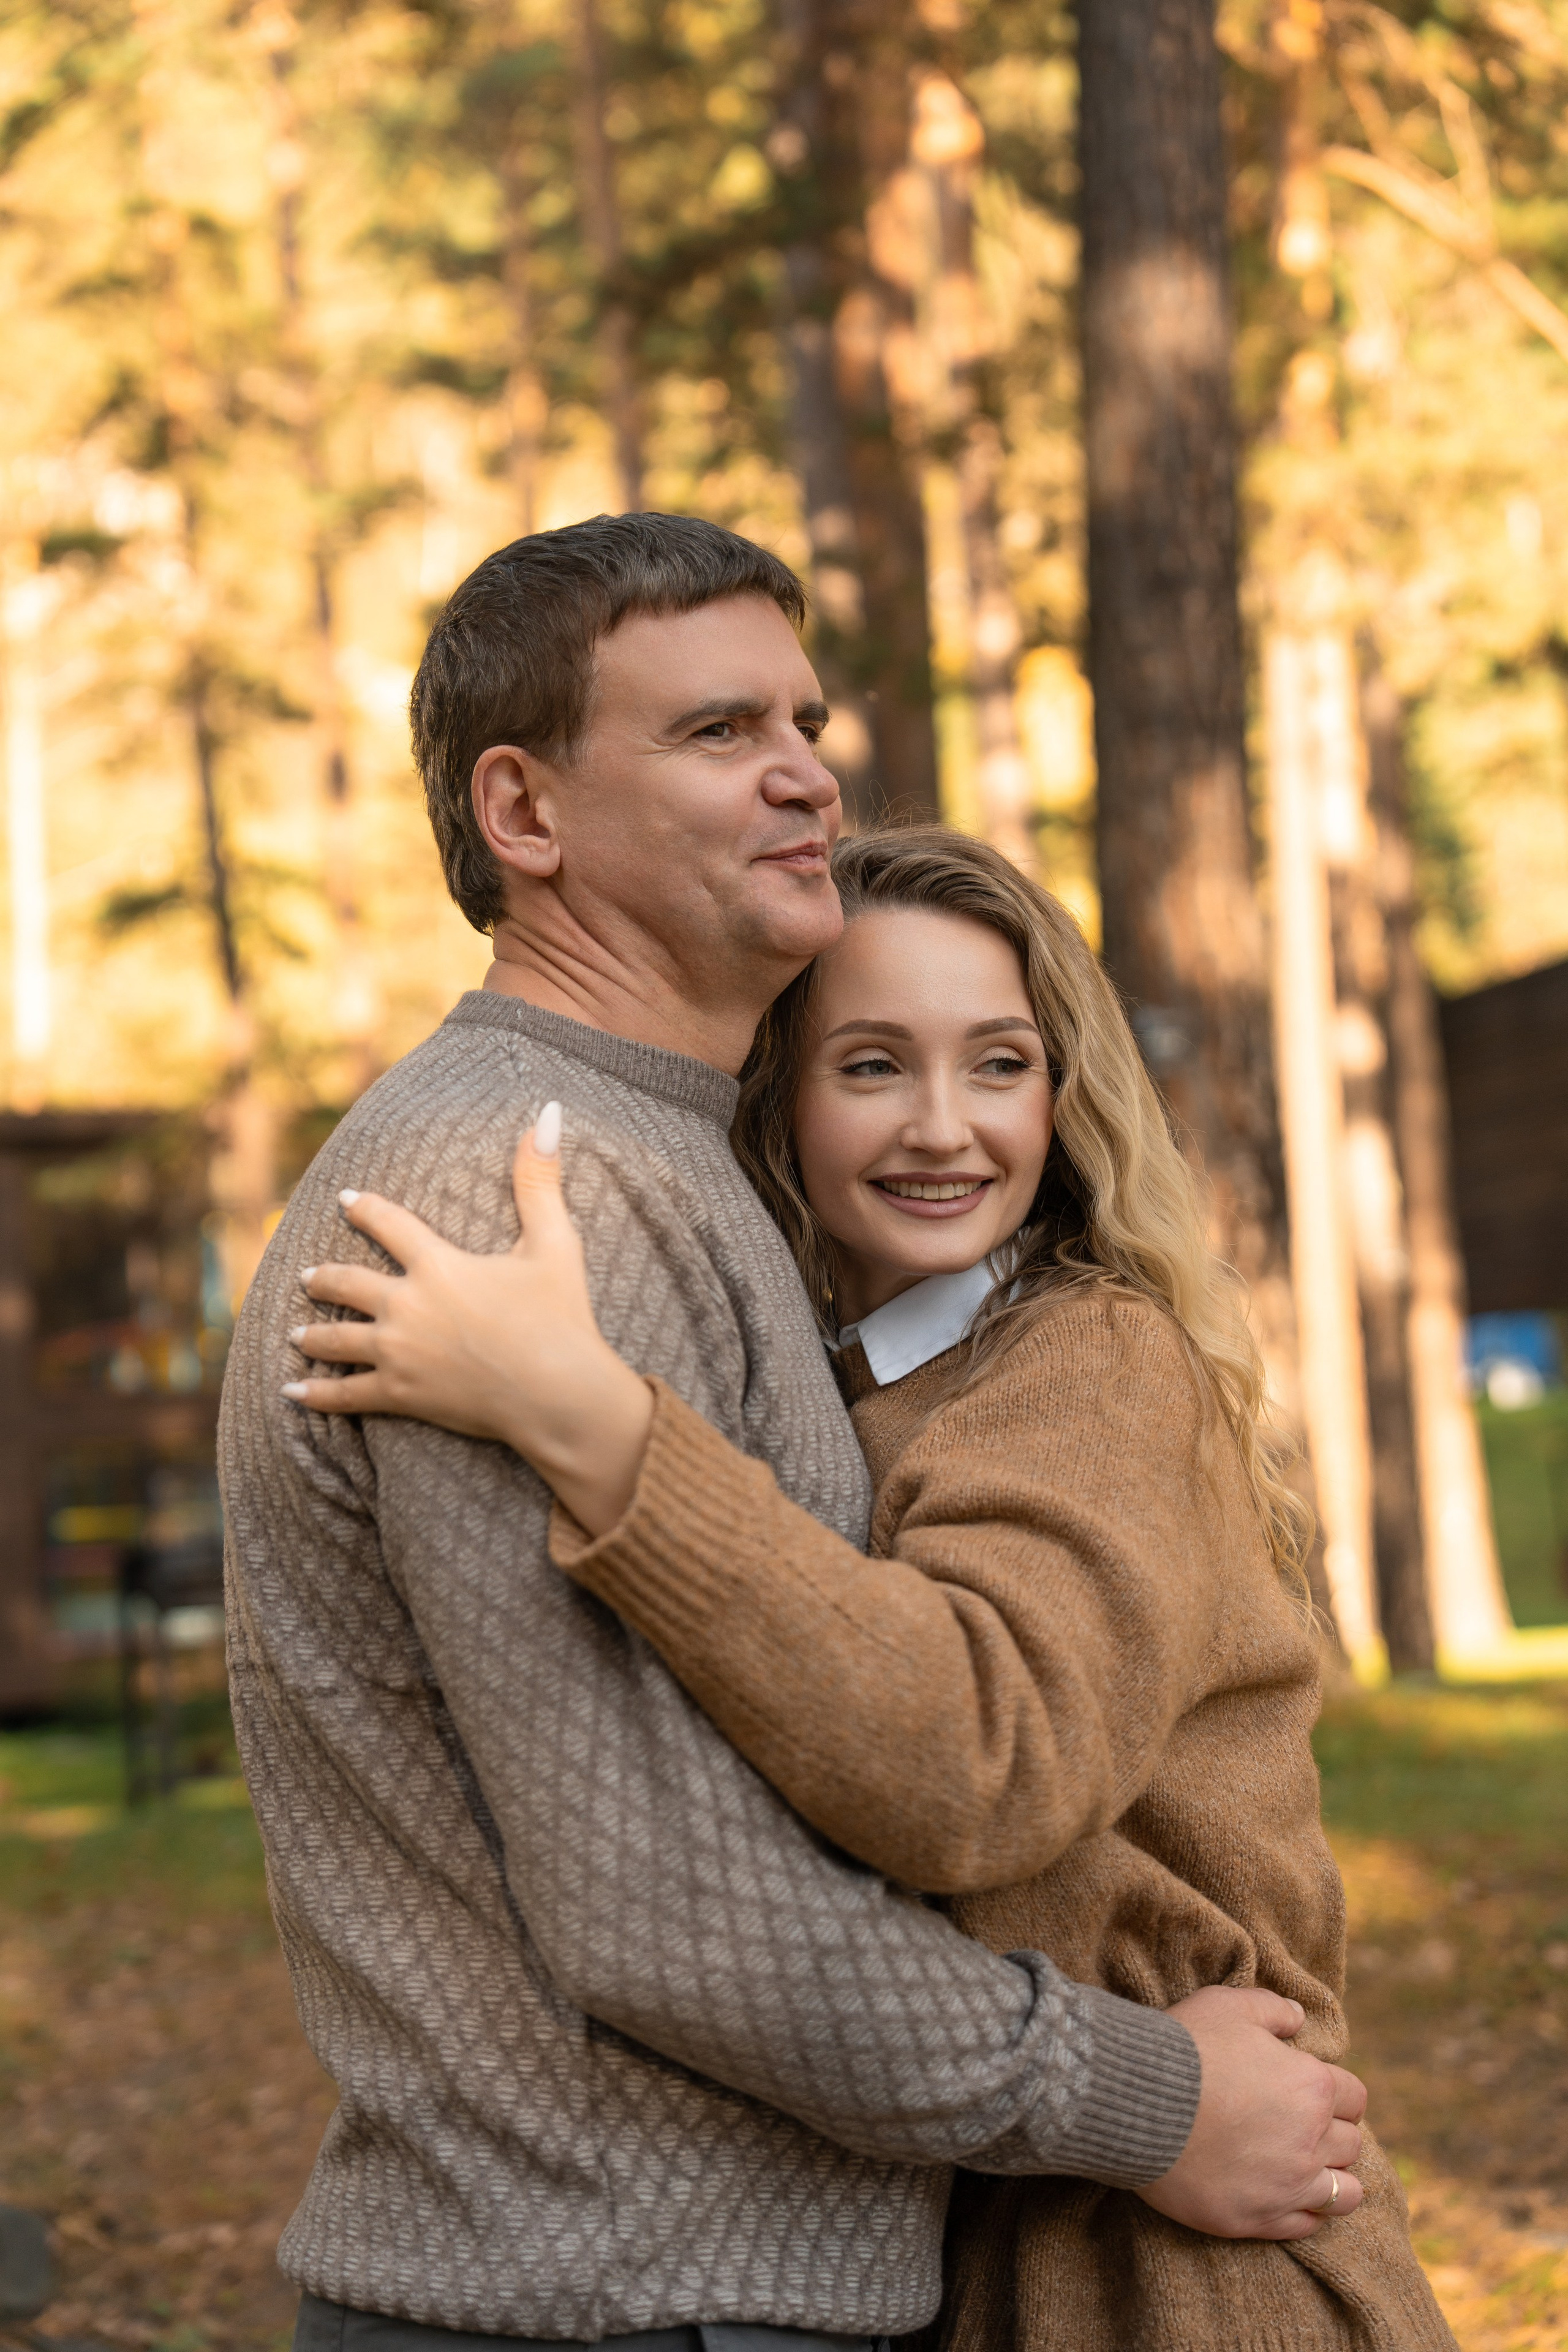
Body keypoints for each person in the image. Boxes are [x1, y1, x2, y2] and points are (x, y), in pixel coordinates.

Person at [228, 513, 1366, 2352]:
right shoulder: (526, 1187)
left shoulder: (673, 1167)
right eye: (715, 733)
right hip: (617, 2301)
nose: (803, 778)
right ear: (523, 817)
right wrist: (1146, 2095)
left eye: (805, 723)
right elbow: (672, 1909)